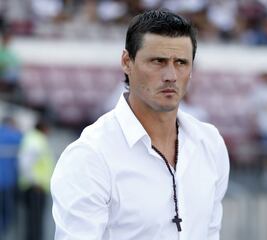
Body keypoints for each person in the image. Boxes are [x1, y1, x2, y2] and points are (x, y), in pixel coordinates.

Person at [51, 9, 230, 240]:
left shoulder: (210, 143)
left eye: (181, 63)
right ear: (127, 62)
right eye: (158, 61)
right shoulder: (90, 155)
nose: (171, 75)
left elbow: (210, 233)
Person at [18, 119, 54, 240]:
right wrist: (35, 182)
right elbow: (25, 163)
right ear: (44, 128)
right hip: (35, 188)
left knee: (34, 221)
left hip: (36, 187)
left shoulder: (35, 139)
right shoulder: (36, 141)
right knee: (34, 222)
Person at [0, 116, 22, 236]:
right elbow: (23, 140)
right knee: (7, 213)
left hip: (5, 181)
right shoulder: (13, 136)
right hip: (7, 181)